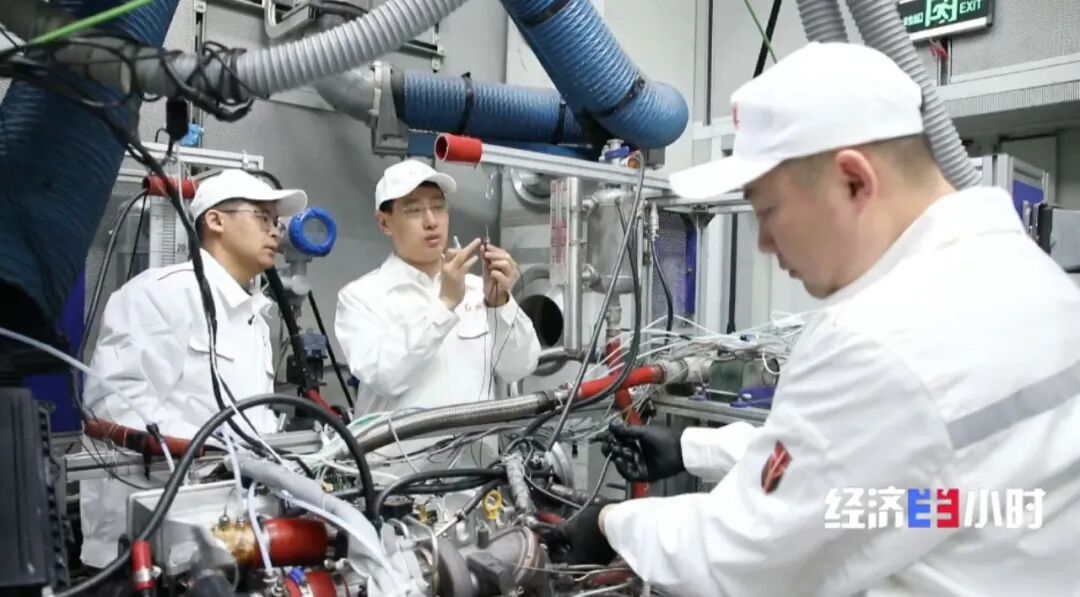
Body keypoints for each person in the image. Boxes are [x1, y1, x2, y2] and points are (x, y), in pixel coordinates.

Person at [562, 42, 1080, 595]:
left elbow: (746, 558)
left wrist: (612, 524)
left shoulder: (878, 339)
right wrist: (693, 447)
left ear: (854, 180)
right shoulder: (1030, 277)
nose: (764, 242)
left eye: (768, 210)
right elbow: (887, 486)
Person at [79, 169, 307, 568]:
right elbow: (117, 408)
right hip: (144, 538)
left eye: (276, 221)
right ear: (215, 221)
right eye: (262, 217)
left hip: (221, 526)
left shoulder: (255, 315)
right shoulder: (160, 294)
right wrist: (222, 457)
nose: (275, 231)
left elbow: (250, 417)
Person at [335, 159, 541, 419]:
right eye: (413, 210)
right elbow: (385, 377)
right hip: (401, 446)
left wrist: (500, 303)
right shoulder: (360, 298)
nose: (431, 221)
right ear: (384, 223)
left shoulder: (478, 290)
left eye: (438, 207)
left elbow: (519, 367)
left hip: (476, 445)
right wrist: (445, 304)